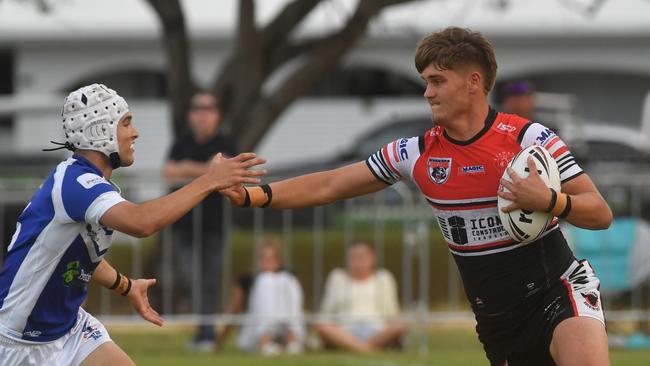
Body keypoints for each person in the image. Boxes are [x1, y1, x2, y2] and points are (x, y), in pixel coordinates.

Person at [221, 27, 613, 366]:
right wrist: (255, 196)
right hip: (497, 317)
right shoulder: (417, 153)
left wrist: (549, 200)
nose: (427, 92)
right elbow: (332, 185)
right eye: (426, 82)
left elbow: (600, 212)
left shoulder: (529, 140)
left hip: (557, 291)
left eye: (437, 80)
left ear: (473, 82)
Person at [0, 84, 265, 365]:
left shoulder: (86, 182)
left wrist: (127, 286)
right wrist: (210, 180)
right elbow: (143, 222)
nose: (135, 132)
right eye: (126, 123)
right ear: (100, 130)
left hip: (70, 328)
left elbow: (78, 256)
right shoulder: (78, 184)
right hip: (19, 341)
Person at [163, 92, 239, 351]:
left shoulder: (226, 141)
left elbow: (229, 172)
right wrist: (207, 171)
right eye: (197, 108)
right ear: (190, 114)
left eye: (208, 108)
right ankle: (204, 333)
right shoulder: (181, 141)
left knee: (209, 279)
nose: (202, 114)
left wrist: (186, 168)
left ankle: (205, 335)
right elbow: (168, 172)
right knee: (191, 277)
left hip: (214, 225)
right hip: (183, 224)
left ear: (217, 114)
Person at [216, 238, 304, 355]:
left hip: (283, 330)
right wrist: (219, 342)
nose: (267, 261)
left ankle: (293, 341)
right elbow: (233, 312)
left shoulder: (288, 279)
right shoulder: (247, 280)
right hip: (254, 332)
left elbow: (298, 307)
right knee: (265, 280)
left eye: (272, 257)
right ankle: (265, 341)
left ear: (279, 260)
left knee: (286, 279)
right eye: (264, 257)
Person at [315, 241, 405, 353]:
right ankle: (366, 349)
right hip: (344, 330)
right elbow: (326, 313)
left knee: (399, 326)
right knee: (322, 325)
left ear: (373, 258)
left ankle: (355, 348)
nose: (357, 261)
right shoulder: (337, 277)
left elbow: (393, 313)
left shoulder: (383, 278)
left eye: (362, 257)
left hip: (377, 329)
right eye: (353, 257)